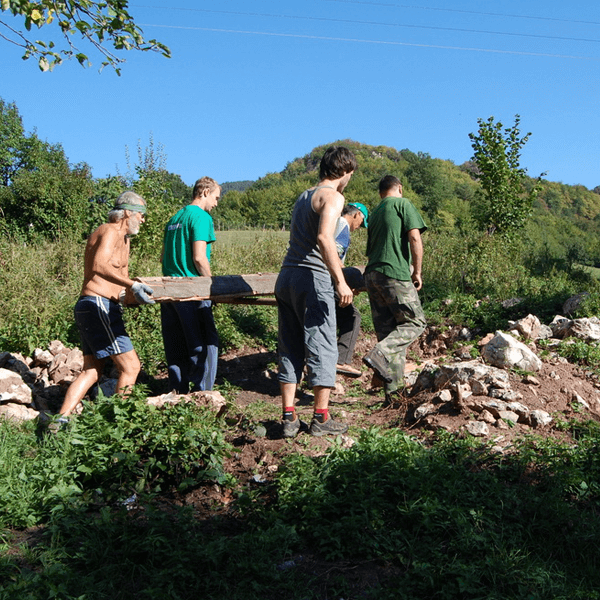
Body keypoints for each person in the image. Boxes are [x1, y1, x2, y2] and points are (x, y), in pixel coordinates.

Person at [275, 146, 357, 438]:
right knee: (322, 344)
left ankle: (288, 418)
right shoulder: (333, 196)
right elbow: (324, 237)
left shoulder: (304, 196)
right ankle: (321, 419)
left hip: (287, 277)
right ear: (345, 171)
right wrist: (340, 281)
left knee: (289, 346)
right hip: (313, 278)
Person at [57, 191, 155, 420]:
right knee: (131, 367)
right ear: (128, 212)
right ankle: (117, 424)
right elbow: (99, 266)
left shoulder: (125, 239)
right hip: (97, 304)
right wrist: (133, 284)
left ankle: (59, 420)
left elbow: (121, 278)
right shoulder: (109, 230)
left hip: (98, 306)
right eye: (141, 214)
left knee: (91, 370)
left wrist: (133, 294)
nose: (143, 219)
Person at [362, 175, 427, 403]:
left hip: (372, 275)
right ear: (399, 187)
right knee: (415, 322)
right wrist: (417, 272)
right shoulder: (403, 203)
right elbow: (414, 238)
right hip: (394, 273)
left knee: (390, 333)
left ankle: (395, 398)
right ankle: (379, 352)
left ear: (381, 192)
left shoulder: (375, 212)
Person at [161, 176, 221, 393]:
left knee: (176, 348)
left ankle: (177, 393)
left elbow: (163, 258)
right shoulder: (201, 217)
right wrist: (211, 288)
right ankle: (203, 397)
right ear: (204, 192)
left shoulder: (174, 218)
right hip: (191, 291)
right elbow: (199, 257)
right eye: (215, 197)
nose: (215, 203)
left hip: (168, 291)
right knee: (205, 345)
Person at [334, 202, 369, 378]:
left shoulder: (332, 222)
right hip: (329, 279)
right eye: (361, 222)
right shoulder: (342, 226)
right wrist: (343, 281)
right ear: (356, 215)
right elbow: (332, 252)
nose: (359, 227)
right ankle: (341, 360)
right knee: (353, 317)